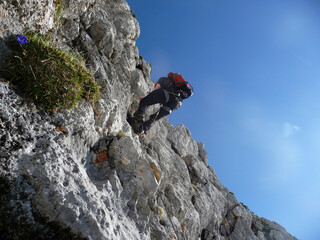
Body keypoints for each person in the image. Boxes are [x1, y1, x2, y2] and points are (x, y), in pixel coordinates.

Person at [129, 72, 193, 136]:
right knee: (154, 118)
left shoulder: (163, 79)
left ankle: (138, 118)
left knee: (145, 101)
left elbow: (157, 87)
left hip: (167, 95)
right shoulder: (179, 87)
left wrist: (147, 97)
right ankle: (142, 130)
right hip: (175, 104)